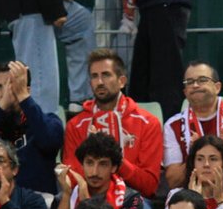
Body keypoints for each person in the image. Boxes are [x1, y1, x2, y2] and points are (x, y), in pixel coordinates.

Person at [62, 49, 162, 200]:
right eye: (95, 76)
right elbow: (71, 178)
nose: (100, 82)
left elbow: (149, 186)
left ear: (122, 81)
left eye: (106, 75)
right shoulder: (76, 125)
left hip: (131, 197)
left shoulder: (148, 123)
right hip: (88, 197)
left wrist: (117, 160)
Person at [0, 61, 65, 196]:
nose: (5, 93)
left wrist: (23, 98)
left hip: (36, 203)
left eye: (12, 86)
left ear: (27, 90)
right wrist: (2, 105)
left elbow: (50, 141)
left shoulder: (48, 121)